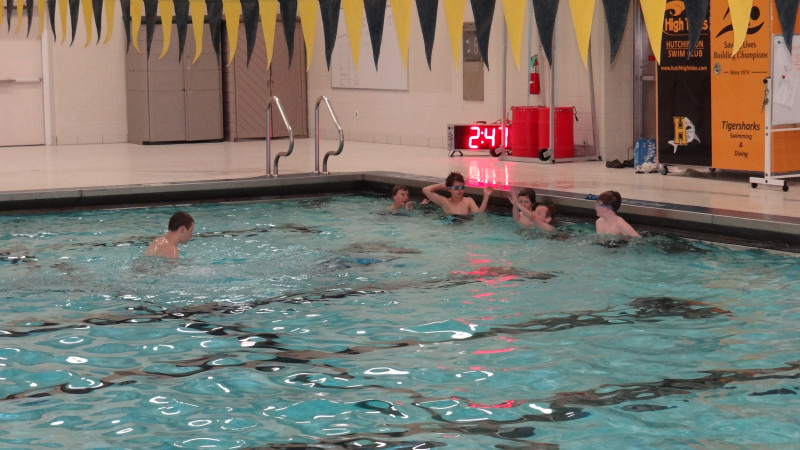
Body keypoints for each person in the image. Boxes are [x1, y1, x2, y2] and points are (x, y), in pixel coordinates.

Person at [422, 172, 493, 215]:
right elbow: (425, 190)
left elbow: (479, 214)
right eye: (456, 188)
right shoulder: (445, 202)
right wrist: (442, 185)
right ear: (449, 189)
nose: (460, 191)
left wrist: (486, 196)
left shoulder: (468, 201)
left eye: (462, 187)